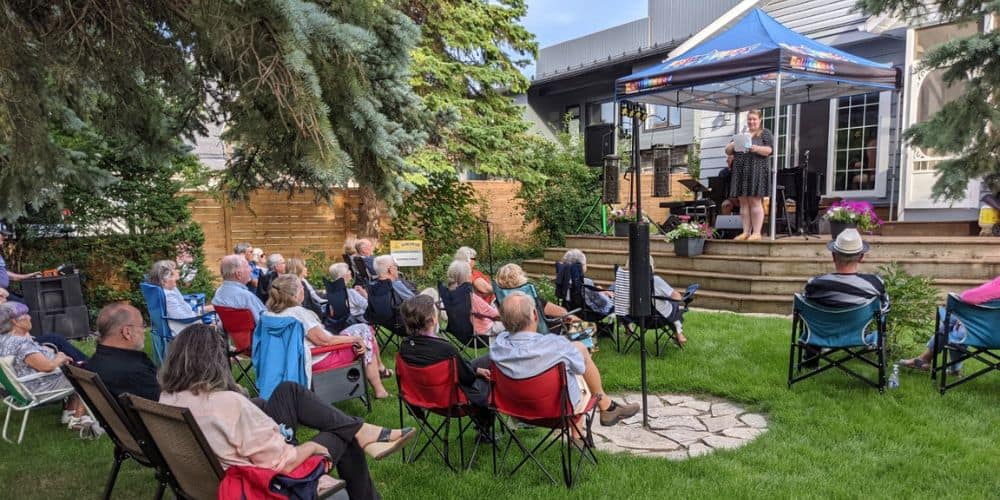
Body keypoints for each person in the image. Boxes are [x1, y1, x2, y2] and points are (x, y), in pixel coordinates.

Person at [158, 324, 415, 500]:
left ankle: (362, 430)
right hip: (265, 482)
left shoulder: (168, 397)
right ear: (216, 362)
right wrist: (312, 448)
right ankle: (362, 435)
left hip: (215, 475)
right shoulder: (227, 404)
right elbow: (282, 462)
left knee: (288, 391)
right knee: (343, 437)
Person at [489, 292, 638, 428]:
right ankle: (605, 407)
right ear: (535, 315)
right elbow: (579, 368)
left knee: (573, 359)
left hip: (513, 411)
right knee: (578, 365)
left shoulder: (498, 347)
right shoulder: (556, 345)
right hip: (558, 413)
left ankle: (588, 428)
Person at [264, 275, 392, 398]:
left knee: (364, 331)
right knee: (365, 337)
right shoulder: (298, 314)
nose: (303, 289)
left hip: (292, 360)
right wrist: (355, 339)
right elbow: (324, 341)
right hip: (319, 358)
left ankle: (380, 370)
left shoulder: (269, 314)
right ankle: (380, 390)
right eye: (301, 286)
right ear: (295, 293)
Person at [398, 294, 494, 440]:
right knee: (492, 371)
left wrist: (475, 370)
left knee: (485, 360)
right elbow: (467, 379)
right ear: (433, 319)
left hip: (421, 396)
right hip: (454, 401)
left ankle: (484, 430)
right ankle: (484, 430)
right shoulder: (445, 350)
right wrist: (476, 374)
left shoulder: (404, 348)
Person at [0, 302, 95, 433]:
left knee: (78, 368)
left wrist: (48, 352)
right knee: (86, 375)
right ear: (15, 322)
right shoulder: (21, 344)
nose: (30, 317)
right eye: (25, 315)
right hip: (40, 387)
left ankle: (69, 412)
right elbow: (47, 367)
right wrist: (59, 358)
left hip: (26, 385)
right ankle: (77, 419)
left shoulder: (4, 340)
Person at [899, 275, 1000, 374]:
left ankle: (927, 360)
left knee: (954, 326)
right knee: (954, 323)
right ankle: (940, 365)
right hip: (994, 336)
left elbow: (966, 297)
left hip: (981, 336)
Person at [803, 229, 889, 313]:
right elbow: (885, 308)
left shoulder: (814, 284)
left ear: (833, 256)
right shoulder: (875, 284)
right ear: (861, 257)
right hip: (858, 327)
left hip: (821, 327)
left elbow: (806, 308)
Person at [87, 303, 160, 401]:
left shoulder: (94, 362)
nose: (144, 331)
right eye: (142, 326)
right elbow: (165, 406)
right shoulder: (136, 374)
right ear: (127, 332)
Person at [0, 287, 89, 362]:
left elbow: (22, 326)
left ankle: (84, 363)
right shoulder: (5, 315)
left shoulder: (5, 311)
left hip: (22, 341)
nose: (5, 300)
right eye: (1, 297)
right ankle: (86, 365)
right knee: (55, 339)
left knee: (55, 338)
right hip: (18, 344)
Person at [725, 109, 773, 241]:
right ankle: (746, 232)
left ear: (760, 120)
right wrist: (735, 143)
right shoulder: (741, 134)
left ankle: (757, 233)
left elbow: (769, 150)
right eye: (749, 119)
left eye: (754, 119)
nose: (751, 121)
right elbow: (727, 150)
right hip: (740, 171)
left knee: (754, 201)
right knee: (743, 202)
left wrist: (756, 148)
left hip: (756, 171)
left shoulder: (765, 133)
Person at [494, 263, 579, 322]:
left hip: (514, 334)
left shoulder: (501, 298)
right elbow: (561, 312)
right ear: (521, 276)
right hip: (542, 334)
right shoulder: (528, 297)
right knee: (574, 320)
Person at [148, 260, 212, 336]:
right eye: (174, 269)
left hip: (188, 322)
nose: (177, 271)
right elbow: (183, 318)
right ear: (165, 279)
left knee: (211, 310)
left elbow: (182, 309)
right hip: (187, 330)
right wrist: (200, 315)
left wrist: (201, 310)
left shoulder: (169, 289)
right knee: (218, 322)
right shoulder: (168, 296)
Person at [447, 260, 503, 337]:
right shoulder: (471, 298)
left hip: (461, 333)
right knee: (514, 321)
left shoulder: (451, 296)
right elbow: (496, 316)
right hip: (483, 331)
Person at [212, 254, 267, 321]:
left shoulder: (219, 292)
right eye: (247, 266)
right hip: (254, 331)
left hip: (229, 330)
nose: (251, 269)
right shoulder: (246, 297)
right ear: (239, 274)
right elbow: (264, 321)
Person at [560, 249, 613, 317]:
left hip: (571, 310)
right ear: (580, 267)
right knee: (615, 289)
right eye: (585, 263)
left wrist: (597, 291)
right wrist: (603, 294)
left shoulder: (564, 280)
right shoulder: (586, 282)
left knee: (609, 289)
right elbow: (602, 303)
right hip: (592, 312)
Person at [0, 227, 41, 302]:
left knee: (24, 303)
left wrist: (29, 275)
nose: (2, 242)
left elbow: (7, 275)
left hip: (4, 291)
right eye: (2, 237)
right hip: (1, 293)